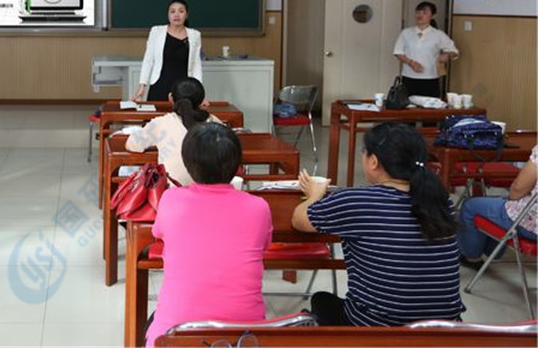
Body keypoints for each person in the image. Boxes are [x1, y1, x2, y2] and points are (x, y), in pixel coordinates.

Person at [292, 122, 464, 326]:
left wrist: (314, 194)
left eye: (363, 152)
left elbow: (299, 220)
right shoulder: (441, 201)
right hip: (444, 328)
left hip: (375, 327)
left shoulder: (357, 200)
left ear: (373, 161)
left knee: (321, 300)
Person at [145, 123, 271, 347]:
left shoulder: (171, 200)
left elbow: (158, 233)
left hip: (176, 335)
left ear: (187, 163)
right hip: (245, 337)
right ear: (238, 166)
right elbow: (264, 245)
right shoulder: (258, 207)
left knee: (152, 320)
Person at [126, 77, 221, 186]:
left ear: (170, 97)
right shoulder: (213, 121)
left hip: (172, 189)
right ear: (202, 101)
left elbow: (132, 144)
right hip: (209, 190)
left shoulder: (161, 123)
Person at [458, 144, 537, 267]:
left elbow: (518, 189)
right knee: (498, 205)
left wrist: (511, 199)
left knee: (470, 206)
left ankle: (472, 258)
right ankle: (493, 252)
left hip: (531, 224)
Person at [132, 0, 203, 102]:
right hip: (160, 84)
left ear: (186, 15)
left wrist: (199, 92)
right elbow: (148, 60)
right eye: (172, 11)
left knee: (183, 112)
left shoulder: (195, 35)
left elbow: (196, 64)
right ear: (168, 15)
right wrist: (142, 86)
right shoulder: (156, 31)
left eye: (181, 11)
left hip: (184, 88)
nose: (176, 15)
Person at [393, 1, 459, 98]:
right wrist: (411, 63)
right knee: (408, 105)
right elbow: (398, 52)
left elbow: (454, 52)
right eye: (418, 12)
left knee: (430, 105)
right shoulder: (406, 33)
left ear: (432, 16)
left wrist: (447, 55)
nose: (420, 15)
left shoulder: (438, 34)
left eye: (424, 13)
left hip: (430, 78)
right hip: (409, 77)